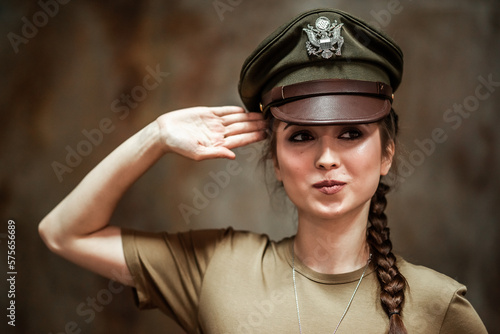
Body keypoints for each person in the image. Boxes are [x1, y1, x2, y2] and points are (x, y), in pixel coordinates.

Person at [39, 8, 487, 334]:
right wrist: (155, 136)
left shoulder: (439, 306)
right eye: (301, 136)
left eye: (351, 134)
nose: (326, 158)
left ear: (387, 153)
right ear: (274, 159)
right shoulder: (219, 266)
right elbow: (62, 233)